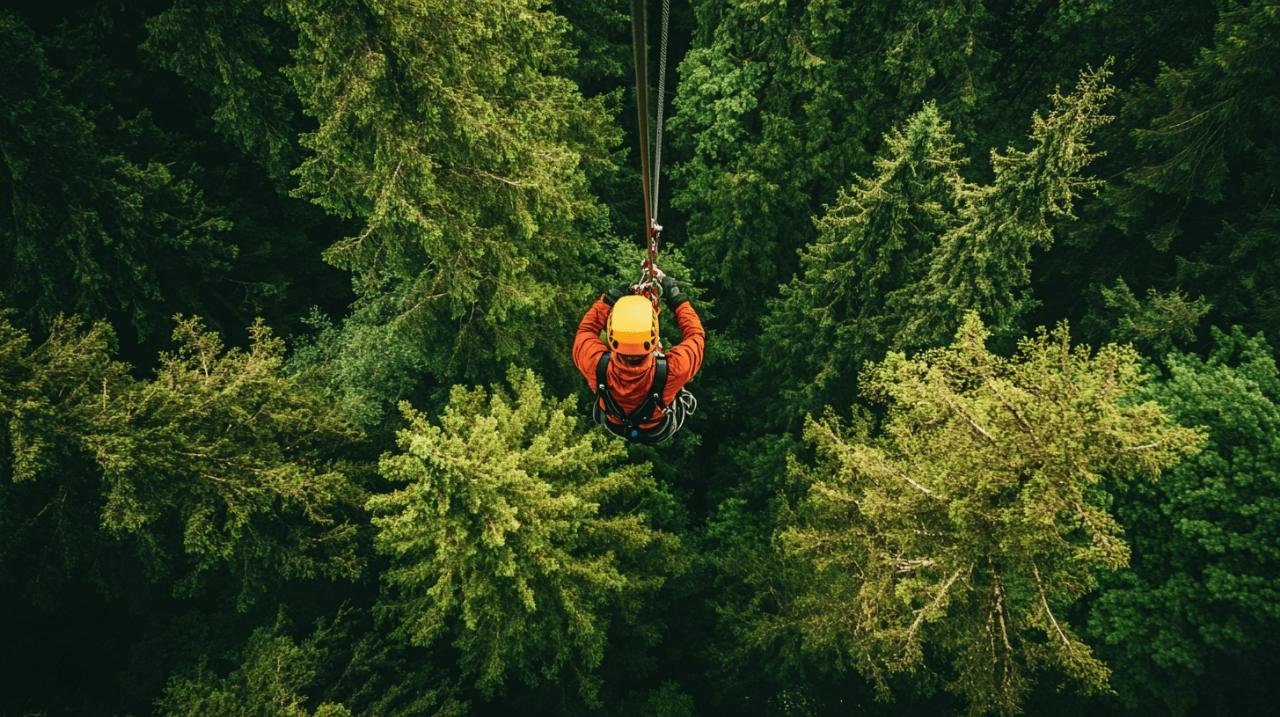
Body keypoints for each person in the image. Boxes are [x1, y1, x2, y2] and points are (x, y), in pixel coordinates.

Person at [573, 273, 704, 443]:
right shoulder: (675, 369)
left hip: (615, 422)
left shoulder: (594, 362)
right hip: (657, 428)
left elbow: (586, 330)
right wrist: (677, 300)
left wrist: (608, 301)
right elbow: (696, 336)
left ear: (613, 333)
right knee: (671, 386)